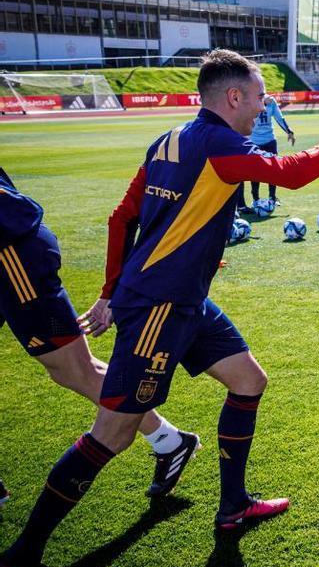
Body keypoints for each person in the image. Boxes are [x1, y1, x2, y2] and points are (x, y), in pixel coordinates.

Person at [0, 50, 319, 567]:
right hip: (159, 308)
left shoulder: (170, 138)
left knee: (249, 381)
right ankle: (21, 558)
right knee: (113, 433)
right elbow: (291, 174)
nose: (264, 103)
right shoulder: (221, 144)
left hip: (184, 300)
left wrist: (108, 290)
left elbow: (122, 217)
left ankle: (234, 506)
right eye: (259, 93)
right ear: (233, 98)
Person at [0, 169, 198, 498]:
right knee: (73, 369)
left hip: (11, 255)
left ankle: (169, 441)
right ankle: (170, 441)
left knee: (73, 369)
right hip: (14, 247)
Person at [246, 93, 295, 207]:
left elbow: (279, 117)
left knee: (273, 170)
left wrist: (289, 131)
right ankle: (255, 199)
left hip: (270, 140)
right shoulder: (250, 100)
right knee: (255, 172)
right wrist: (262, 102)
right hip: (254, 141)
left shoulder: (271, 101)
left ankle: (272, 197)